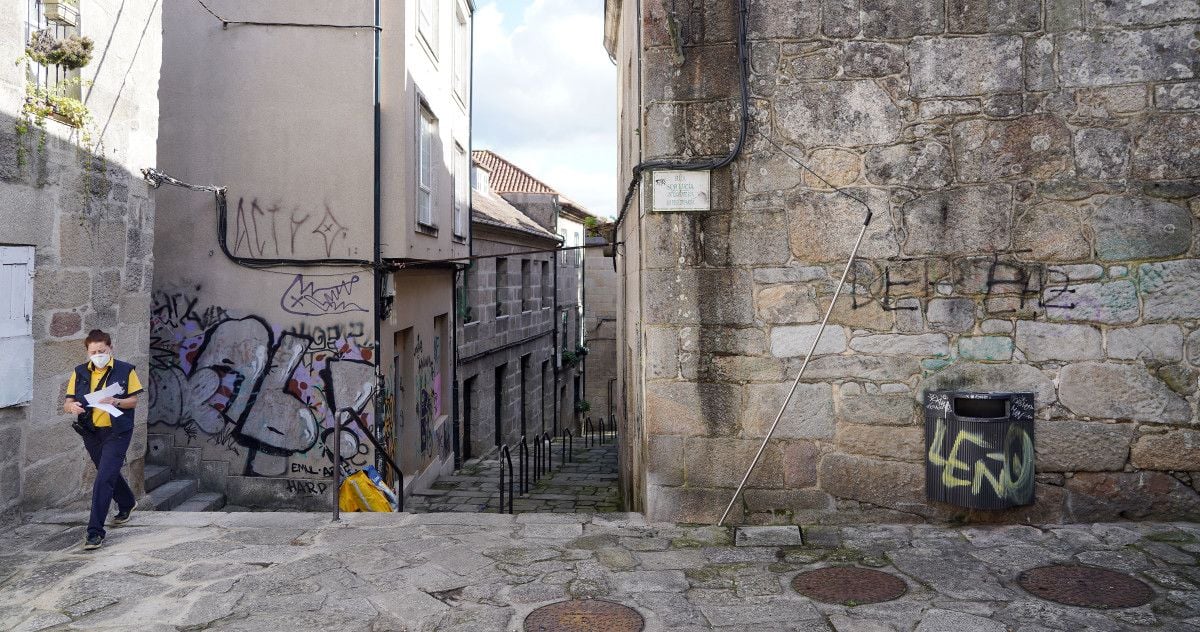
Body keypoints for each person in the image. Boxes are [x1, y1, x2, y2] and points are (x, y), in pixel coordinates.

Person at [63, 329, 145, 550]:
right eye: (93, 351)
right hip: (91, 432)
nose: (98, 354)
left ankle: (94, 532)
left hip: (117, 431)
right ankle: (127, 502)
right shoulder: (79, 373)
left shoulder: (125, 370)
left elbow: (133, 401)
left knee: (103, 479)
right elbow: (68, 402)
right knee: (108, 473)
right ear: (87, 352)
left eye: (102, 350)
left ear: (110, 349)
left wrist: (115, 401)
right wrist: (72, 407)